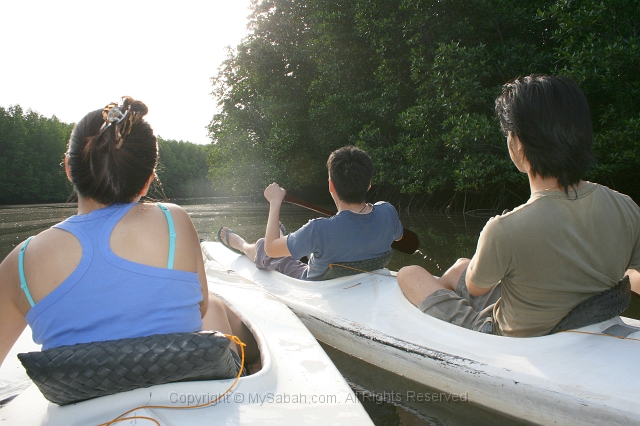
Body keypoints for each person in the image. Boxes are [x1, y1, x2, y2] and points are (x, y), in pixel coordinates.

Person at [0, 97, 245, 367]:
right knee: (215, 305)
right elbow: (198, 310)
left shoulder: (19, 262)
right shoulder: (173, 219)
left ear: (70, 169)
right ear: (146, 182)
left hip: (82, 390)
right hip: (179, 379)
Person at [397, 74, 640, 337]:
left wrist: (489, 241)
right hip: (586, 316)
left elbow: (475, 287)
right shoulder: (626, 206)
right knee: (460, 265)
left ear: (518, 144)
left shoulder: (504, 229)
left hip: (513, 336)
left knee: (408, 273)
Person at [219, 146, 404, 280]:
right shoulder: (387, 211)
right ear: (369, 184)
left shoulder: (319, 229)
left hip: (313, 281)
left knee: (263, 247)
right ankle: (287, 238)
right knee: (305, 245)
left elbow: (271, 249)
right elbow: (398, 237)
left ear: (330, 185)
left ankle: (242, 245)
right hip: (360, 273)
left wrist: (275, 202)